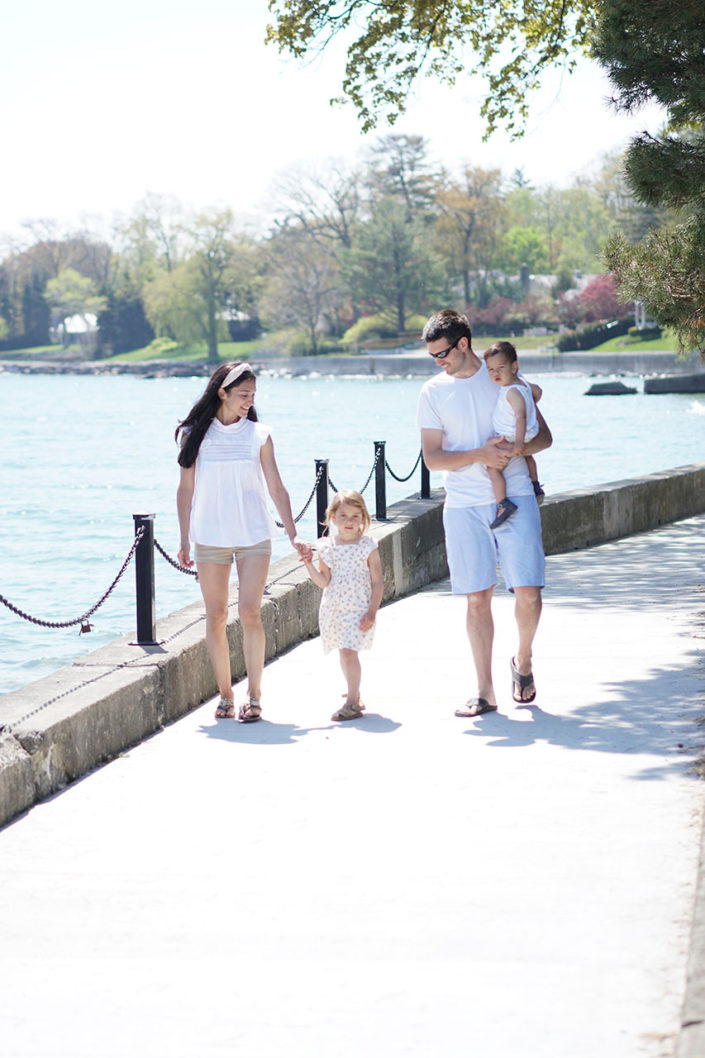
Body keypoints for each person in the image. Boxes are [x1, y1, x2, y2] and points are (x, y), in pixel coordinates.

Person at [416, 310, 552, 715]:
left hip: (516, 495)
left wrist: (514, 452)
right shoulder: (431, 392)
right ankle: (485, 691)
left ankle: (522, 661)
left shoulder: (502, 378)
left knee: (528, 592)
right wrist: (480, 454)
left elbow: (544, 437)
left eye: (441, 353)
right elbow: (432, 459)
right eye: (431, 356)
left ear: (463, 344)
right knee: (477, 599)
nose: (436, 361)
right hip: (462, 505)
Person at [175, 361, 310, 723]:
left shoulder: (260, 434)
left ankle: (254, 695)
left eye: (253, 395)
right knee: (216, 616)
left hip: (254, 534)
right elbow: (185, 488)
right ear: (223, 392)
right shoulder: (193, 434)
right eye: (243, 394)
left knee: (250, 612)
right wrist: (183, 538)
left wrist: (293, 533)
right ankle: (225, 695)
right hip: (210, 536)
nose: (249, 401)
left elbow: (276, 486)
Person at [302, 490, 383, 722]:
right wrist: (309, 564)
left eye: (355, 516)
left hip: (359, 609)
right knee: (343, 651)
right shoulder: (327, 547)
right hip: (334, 608)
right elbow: (323, 581)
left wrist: (372, 611)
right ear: (333, 517)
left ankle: (352, 703)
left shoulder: (368, 545)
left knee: (349, 652)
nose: (349, 521)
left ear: (363, 518)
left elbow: (377, 581)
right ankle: (354, 691)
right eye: (344, 515)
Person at [483, 340, 545, 529]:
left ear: (514, 366)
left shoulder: (511, 392)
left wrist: (518, 443)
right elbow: (538, 391)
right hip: (526, 434)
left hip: (513, 435)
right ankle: (535, 484)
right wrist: (532, 394)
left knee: (492, 468)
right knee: (528, 457)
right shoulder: (523, 384)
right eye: (491, 369)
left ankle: (503, 503)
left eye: (500, 368)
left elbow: (520, 416)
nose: (496, 374)